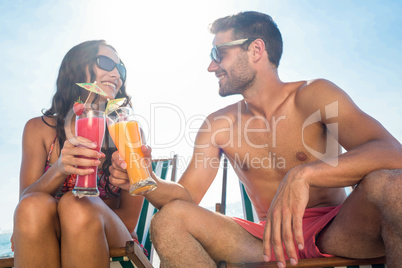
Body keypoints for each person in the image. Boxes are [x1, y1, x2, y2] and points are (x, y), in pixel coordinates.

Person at [110, 11, 402, 268]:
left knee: (392, 185)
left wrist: (305, 174)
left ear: (255, 50)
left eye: (218, 54)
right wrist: (146, 178)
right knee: (170, 220)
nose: (212, 67)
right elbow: (187, 197)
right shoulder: (218, 124)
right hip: (265, 243)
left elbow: (393, 153)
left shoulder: (314, 95)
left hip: (337, 230)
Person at [12, 40, 144, 268]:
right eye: (106, 63)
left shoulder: (126, 130)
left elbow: (130, 221)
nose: (116, 75)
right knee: (32, 205)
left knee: (76, 204)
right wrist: (60, 168)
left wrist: (77, 219)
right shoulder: (38, 129)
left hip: (116, 236)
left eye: (120, 69)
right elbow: (26, 201)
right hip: (51, 233)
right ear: (77, 67)